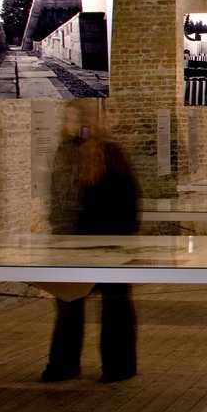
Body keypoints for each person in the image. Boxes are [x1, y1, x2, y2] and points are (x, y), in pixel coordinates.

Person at [43, 99, 141, 384]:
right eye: (66, 120)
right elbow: (59, 199)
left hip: (107, 241)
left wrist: (121, 241)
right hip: (72, 242)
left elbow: (127, 199)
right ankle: (62, 364)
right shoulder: (65, 152)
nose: (68, 125)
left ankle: (119, 366)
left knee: (115, 303)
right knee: (68, 303)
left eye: (74, 120)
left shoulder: (110, 153)